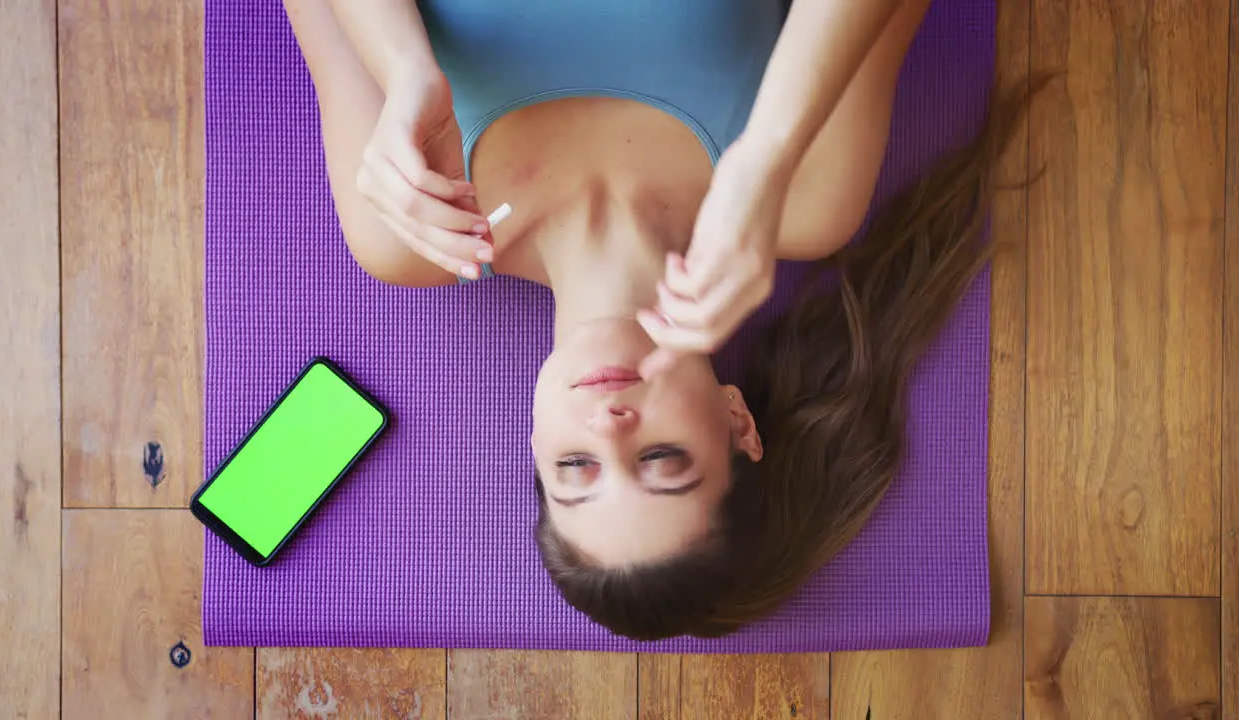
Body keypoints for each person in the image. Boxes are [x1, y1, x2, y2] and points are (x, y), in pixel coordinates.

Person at [284, 0, 1025, 640]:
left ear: (535, 439)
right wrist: (770, 153)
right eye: (662, 460)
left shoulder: (403, 236)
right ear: (738, 424)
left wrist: (404, 66)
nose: (610, 426)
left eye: (575, 469)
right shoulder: (803, 202)